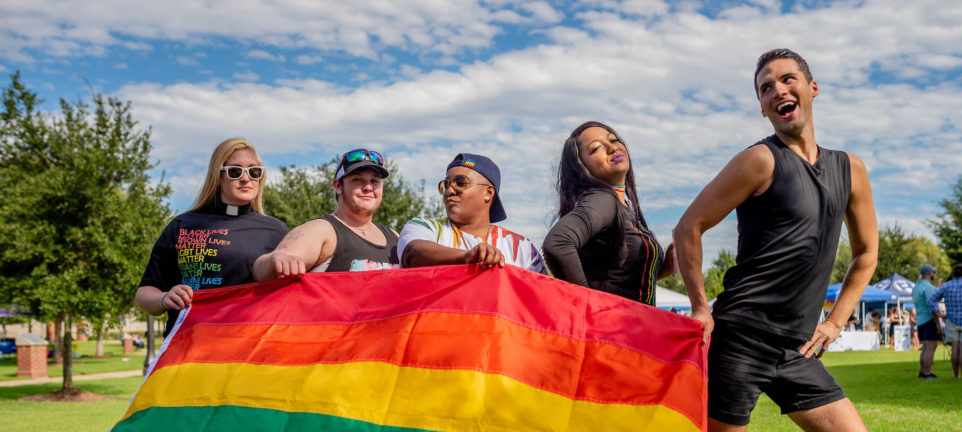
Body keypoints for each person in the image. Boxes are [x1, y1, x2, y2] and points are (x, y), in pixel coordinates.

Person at [673, 48, 959, 432]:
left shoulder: (850, 168)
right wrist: (702, 306)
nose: (777, 91)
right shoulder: (759, 161)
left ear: (811, 88)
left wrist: (835, 320)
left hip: (798, 347)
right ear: (762, 105)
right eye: (764, 87)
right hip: (741, 338)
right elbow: (689, 227)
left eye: (787, 79)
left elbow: (868, 253)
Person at [136, 138, 288, 332]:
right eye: (235, 171)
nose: (245, 178)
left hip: (250, 350)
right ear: (218, 176)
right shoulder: (182, 226)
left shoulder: (277, 231)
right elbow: (144, 293)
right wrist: (165, 299)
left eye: (254, 171)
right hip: (189, 347)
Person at [543, 121, 674, 305]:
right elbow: (557, 242)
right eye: (596, 148)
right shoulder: (603, 200)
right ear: (582, 167)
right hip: (611, 330)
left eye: (613, 140)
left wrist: (665, 268)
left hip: (632, 328)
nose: (612, 148)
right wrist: (589, 305)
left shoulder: (622, 207)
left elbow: (619, 281)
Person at [253, 149, 398, 280]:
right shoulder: (322, 231)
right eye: (357, 180)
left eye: (375, 181)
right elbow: (260, 270)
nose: (368, 187)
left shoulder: (395, 238)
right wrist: (276, 260)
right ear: (338, 186)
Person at [398, 153, 544, 272]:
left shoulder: (521, 248)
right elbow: (412, 253)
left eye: (461, 183)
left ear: (488, 193)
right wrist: (467, 256)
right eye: (446, 184)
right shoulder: (425, 227)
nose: (449, 191)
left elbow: (542, 296)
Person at [912, 264, 942, 378]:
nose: (934, 274)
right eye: (933, 272)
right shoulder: (928, 287)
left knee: (925, 347)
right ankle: (927, 372)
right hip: (929, 319)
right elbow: (932, 307)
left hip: (920, 319)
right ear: (930, 273)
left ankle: (922, 371)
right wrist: (938, 324)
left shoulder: (916, 287)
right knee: (931, 347)